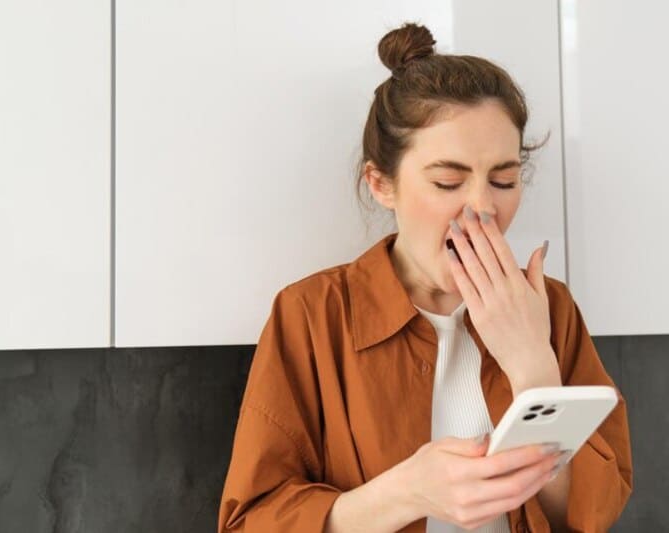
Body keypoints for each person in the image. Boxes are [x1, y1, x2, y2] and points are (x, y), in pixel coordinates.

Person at [218, 22, 632, 533]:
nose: (484, 207)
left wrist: (533, 371)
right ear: (380, 183)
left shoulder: (550, 307)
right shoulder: (312, 315)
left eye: (503, 179)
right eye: (448, 181)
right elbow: (249, 522)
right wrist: (405, 492)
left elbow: (590, 513)